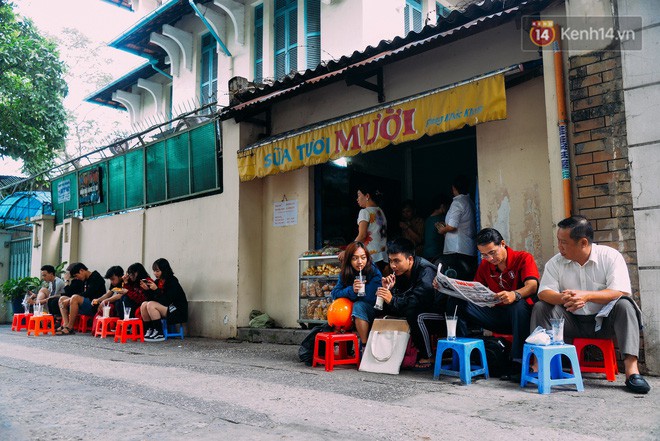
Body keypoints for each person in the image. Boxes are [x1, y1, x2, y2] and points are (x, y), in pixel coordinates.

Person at [530, 215, 650, 394]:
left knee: (625, 304)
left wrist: (587, 296)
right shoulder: (556, 262)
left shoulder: (610, 257)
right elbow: (544, 291)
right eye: (558, 241)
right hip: (569, 322)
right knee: (541, 306)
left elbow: (620, 291)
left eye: (564, 242)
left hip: (603, 322)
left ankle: (632, 372)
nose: (559, 247)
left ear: (583, 242)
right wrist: (564, 298)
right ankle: (538, 366)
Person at [442, 228, 539, 380]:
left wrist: (515, 294)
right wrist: (447, 287)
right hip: (496, 315)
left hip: (521, 318)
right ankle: (464, 353)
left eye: (492, 252)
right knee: (456, 302)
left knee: (518, 305)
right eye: (484, 254)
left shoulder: (523, 258)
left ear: (502, 244)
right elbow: (473, 290)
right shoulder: (485, 266)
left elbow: (532, 285)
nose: (489, 258)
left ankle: (518, 363)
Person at [375, 238, 441, 370]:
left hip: (440, 315)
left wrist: (392, 299)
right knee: (383, 312)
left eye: (397, 261)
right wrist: (389, 289)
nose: (393, 266)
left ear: (410, 259)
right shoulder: (400, 273)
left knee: (415, 315)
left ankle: (427, 355)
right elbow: (399, 303)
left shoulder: (425, 272)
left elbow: (416, 303)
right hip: (419, 310)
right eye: (391, 261)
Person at [330, 241, 383, 346]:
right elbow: (334, 293)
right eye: (355, 258)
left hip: (373, 309)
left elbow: (372, 298)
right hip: (351, 312)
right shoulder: (345, 272)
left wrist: (357, 294)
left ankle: (364, 346)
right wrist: (351, 290)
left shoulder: (373, 271)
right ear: (349, 260)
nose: (360, 262)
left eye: (363, 258)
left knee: (358, 306)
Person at [436, 175, 477, 280]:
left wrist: (442, 230)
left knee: (456, 280)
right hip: (468, 248)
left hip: (457, 249)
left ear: (454, 188)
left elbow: (452, 226)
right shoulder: (470, 202)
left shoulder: (457, 203)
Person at [140, 258, 188, 342]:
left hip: (176, 310)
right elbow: (153, 299)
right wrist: (147, 290)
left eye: (157, 271)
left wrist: (156, 290)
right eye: (154, 271)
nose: (155, 273)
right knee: (144, 304)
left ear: (164, 270)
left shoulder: (172, 281)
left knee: (151, 304)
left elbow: (167, 300)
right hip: (166, 307)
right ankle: (150, 329)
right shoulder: (158, 281)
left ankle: (160, 332)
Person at [343, 183, 387, 271]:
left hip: (371, 256)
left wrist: (348, 251)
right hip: (383, 255)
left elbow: (362, 236)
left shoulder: (365, 212)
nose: (357, 199)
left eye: (359, 195)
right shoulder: (380, 211)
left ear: (367, 196)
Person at [57, 262, 106, 335]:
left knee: (74, 297)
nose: (77, 278)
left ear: (81, 271)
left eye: (76, 276)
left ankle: (70, 327)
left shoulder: (96, 277)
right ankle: (66, 325)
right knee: (62, 299)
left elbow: (88, 293)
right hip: (85, 304)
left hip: (95, 306)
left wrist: (70, 299)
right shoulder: (84, 279)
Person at [423, 193, 452, 261]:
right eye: (447, 206)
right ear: (442, 206)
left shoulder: (428, 219)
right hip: (437, 255)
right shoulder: (441, 219)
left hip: (427, 254)